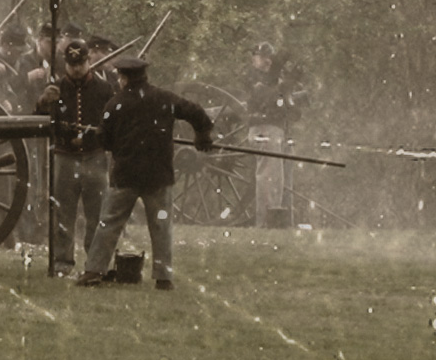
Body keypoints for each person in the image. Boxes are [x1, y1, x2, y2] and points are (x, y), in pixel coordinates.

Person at [77, 55, 213, 291]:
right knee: (161, 226)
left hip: (125, 178)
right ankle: (163, 277)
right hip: (158, 177)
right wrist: (202, 135)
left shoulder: (114, 104)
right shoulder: (165, 98)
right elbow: (196, 112)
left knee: (109, 224)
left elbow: (104, 139)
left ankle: (93, 271)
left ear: (123, 77)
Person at [37, 40, 115, 277]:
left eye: (81, 63)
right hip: (65, 157)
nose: (77, 69)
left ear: (88, 62)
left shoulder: (105, 89)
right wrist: (43, 102)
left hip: (95, 157)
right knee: (63, 214)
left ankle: (94, 263)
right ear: (66, 65)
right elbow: (37, 119)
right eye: (72, 65)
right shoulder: (56, 89)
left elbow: (114, 121)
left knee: (97, 214)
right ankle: (62, 262)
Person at [244, 42, 305, 227]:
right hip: (263, 129)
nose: (266, 61)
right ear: (254, 59)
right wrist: (284, 83)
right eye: (261, 57)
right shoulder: (251, 77)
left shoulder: (274, 80)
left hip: (277, 131)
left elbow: (290, 111)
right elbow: (263, 97)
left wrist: (290, 88)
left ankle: (277, 223)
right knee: (268, 179)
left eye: (268, 57)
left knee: (278, 180)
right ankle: (264, 224)